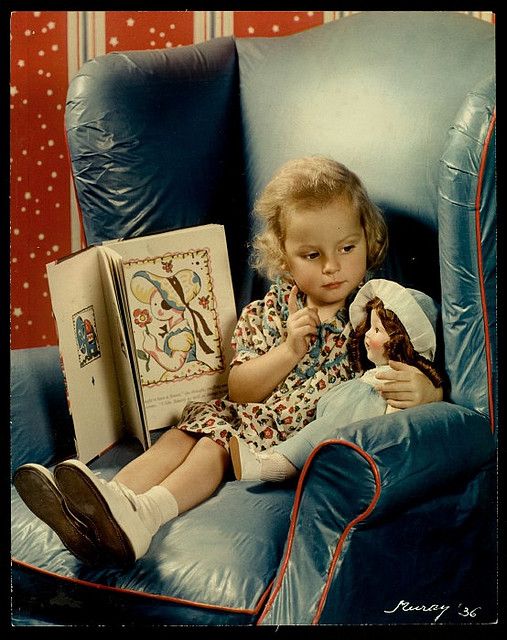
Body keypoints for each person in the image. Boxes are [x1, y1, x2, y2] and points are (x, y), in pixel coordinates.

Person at [13, 156, 442, 567]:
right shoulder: (269, 311)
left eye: (348, 247)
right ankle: (99, 500)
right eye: (312, 255)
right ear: (283, 257)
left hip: (294, 440)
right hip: (251, 414)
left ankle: (146, 514)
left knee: (212, 444)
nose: (333, 267)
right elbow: (240, 389)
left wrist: (429, 390)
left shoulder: (377, 310)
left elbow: (411, 363)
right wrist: (288, 350)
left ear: (368, 238)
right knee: (184, 432)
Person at [229, 278, 443, 482]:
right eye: (369, 326)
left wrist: (433, 391)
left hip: (359, 426)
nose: (367, 335)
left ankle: (275, 465)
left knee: (326, 428)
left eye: (377, 330)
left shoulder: (396, 382)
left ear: (402, 338)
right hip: (337, 417)